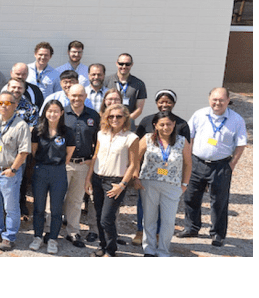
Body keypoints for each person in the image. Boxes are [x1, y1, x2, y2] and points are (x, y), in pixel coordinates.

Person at [179, 88, 248, 247]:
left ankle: (217, 234)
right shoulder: (200, 114)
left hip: (221, 166)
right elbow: (189, 136)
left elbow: (241, 144)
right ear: (209, 98)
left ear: (228, 100)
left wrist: (231, 165)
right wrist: (188, 158)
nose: (217, 103)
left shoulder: (236, 120)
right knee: (191, 197)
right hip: (197, 163)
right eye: (214, 99)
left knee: (219, 202)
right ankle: (191, 227)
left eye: (221, 100)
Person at [130, 89, 188, 244]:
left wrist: (184, 182)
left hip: (170, 176)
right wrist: (135, 174)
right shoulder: (147, 120)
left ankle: (158, 234)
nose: (164, 105)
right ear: (156, 103)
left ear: (174, 103)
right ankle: (140, 232)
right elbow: (137, 148)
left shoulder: (182, 124)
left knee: (164, 208)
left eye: (168, 101)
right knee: (144, 205)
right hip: (149, 174)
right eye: (161, 101)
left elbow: (186, 154)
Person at [89, 103, 141, 257]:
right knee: (99, 216)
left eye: (119, 116)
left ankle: (111, 251)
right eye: (111, 116)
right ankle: (103, 246)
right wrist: (88, 179)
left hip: (115, 182)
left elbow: (133, 164)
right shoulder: (101, 134)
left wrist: (122, 185)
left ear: (125, 118)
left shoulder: (131, 138)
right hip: (97, 178)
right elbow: (94, 157)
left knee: (107, 218)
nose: (114, 119)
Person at [0, 91, 31, 251]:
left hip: (9, 173)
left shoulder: (21, 125)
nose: (3, 106)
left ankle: (9, 237)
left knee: (11, 207)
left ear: (15, 106)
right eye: (0, 103)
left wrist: (13, 169)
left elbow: (24, 151)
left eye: (7, 103)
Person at [138, 111, 193, 256]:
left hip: (172, 185)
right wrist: (135, 178)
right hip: (149, 183)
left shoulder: (182, 141)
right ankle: (149, 249)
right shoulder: (147, 139)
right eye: (161, 124)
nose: (165, 127)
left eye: (169, 124)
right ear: (155, 125)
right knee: (149, 218)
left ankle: (163, 250)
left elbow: (188, 164)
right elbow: (135, 158)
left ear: (174, 124)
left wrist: (184, 185)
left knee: (168, 221)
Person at [27, 100, 74, 254]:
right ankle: (38, 237)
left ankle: (53, 238)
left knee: (56, 209)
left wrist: (57, 164)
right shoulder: (37, 131)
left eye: (56, 111)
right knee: (39, 207)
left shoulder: (67, 132)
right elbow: (34, 151)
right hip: (40, 171)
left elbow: (69, 153)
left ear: (61, 113)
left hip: (58, 172)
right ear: (45, 112)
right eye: (49, 111)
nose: (52, 114)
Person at [62, 84, 100, 248]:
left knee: (76, 200)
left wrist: (93, 159)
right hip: (63, 165)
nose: (76, 98)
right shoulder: (61, 113)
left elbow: (99, 141)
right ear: (68, 95)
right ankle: (50, 230)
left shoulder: (93, 115)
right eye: (73, 95)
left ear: (85, 96)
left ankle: (73, 232)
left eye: (80, 95)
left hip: (83, 164)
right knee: (56, 199)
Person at [104, 53, 147, 121]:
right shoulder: (106, 81)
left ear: (132, 64)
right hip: (108, 121)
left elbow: (139, 109)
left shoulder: (139, 84)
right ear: (116, 63)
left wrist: (125, 121)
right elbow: (101, 104)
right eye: (121, 64)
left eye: (127, 64)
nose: (124, 66)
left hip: (128, 123)